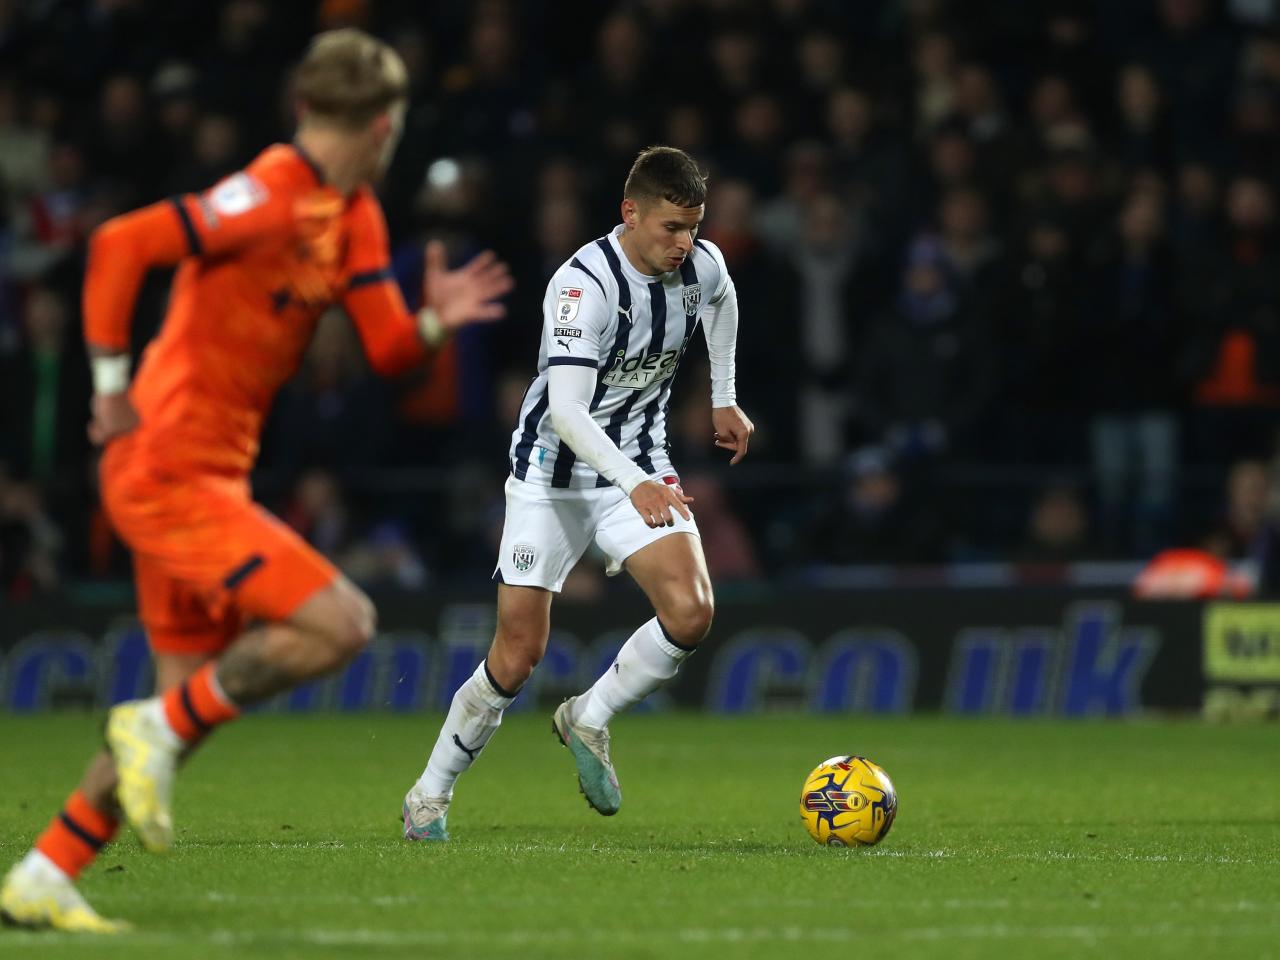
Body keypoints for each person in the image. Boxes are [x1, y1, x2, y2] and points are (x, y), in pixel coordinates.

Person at [0, 28, 512, 933]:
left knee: (173, 709)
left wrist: (434, 323)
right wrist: (111, 390)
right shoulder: (269, 192)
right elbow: (121, 244)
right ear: (379, 125)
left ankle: (46, 870)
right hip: (161, 464)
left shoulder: (353, 214)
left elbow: (388, 346)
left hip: (212, 475)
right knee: (340, 624)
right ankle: (151, 734)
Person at [400, 146, 754, 840]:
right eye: (670, 229)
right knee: (516, 657)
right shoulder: (582, 285)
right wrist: (637, 484)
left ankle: (589, 716)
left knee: (691, 612)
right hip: (553, 476)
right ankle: (428, 795)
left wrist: (725, 398)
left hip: (640, 463)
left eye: (693, 227)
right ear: (630, 214)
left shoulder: (701, 267)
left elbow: (724, 299)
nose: (686, 244)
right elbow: (567, 412)